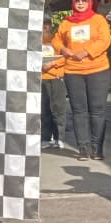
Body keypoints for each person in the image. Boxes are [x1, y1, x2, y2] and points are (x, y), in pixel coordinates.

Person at [56, 0, 111, 161]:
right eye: (77, 0)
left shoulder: (98, 20)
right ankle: (83, 149)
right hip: (73, 72)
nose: (80, 3)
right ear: (73, 2)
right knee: (79, 111)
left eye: (84, 0)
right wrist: (63, 49)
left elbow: (105, 40)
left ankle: (97, 149)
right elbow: (56, 40)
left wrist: (86, 52)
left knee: (97, 110)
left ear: (90, 1)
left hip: (98, 70)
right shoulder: (66, 23)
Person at [40, 15, 68, 149]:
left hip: (58, 77)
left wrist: (52, 64)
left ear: (50, 25)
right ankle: (45, 138)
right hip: (41, 78)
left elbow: (65, 56)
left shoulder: (57, 40)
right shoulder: (34, 40)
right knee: (44, 109)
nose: (44, 27)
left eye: (47, 24)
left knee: (59, 109)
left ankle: (59, 138)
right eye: (42, 24)